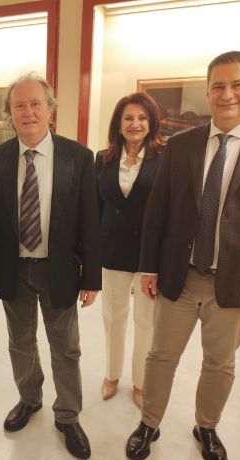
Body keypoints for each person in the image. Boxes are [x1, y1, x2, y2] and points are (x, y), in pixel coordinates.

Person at [125, 51, 240, 460]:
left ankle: (207, 426)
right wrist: (149, 267)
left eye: (237, 85)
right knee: (160, 356)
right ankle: (149, 423)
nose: (227, 94)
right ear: (207, 92)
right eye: (218, 86)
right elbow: (157, 212)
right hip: (180, 275)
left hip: (237, 279)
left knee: (220, 362)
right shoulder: (180, 145)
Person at [0, 73, 101, 460]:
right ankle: (29, 398)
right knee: (20, 343)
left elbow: (90, 221)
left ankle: (68, 414)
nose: (27, 112)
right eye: (19, 106)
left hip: (59, 270)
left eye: (35, 104)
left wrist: (92, 278)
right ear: (10, 113)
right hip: (13, 269)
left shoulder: (78, 157)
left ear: (50, 110)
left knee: (66, 347)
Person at [96, 92, 164, 409]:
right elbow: (96, 207)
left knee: (145, 321)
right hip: (112, 251)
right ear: (118, 124)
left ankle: (140, 382)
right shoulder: (103, 158)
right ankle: (112, 375)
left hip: (150, 254)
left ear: (151, 123)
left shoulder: (164, 158)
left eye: (142, 118)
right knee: (113, 317)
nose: (135, 124)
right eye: (128, 118)